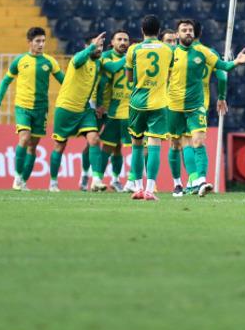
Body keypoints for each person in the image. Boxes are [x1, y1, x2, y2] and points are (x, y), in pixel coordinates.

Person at [168, 19, 245, 197]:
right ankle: (177, 184)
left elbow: (223, 67)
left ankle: (200, 180)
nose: (188, 32)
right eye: (184, 30)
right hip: (173, 106)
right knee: (176, 144)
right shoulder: (170, 53)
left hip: (196, 105)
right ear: (177, 35)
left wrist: (236, 62)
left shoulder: (203, 52)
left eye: (190, 30)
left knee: (198, 141)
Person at [49, 33, 123, 192]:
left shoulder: (99, 63)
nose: (99, 49)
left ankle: (96, 180)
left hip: (84, 110)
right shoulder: (78, 59)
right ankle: (53, 182)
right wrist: (91, 46)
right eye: (96, 46)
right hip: (65, 109)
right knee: (59, 146)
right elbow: (79, 59)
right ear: (87, 47)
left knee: (94, 139)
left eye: (101, 46)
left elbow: (111, 70)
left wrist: (129, 56)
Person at [0, 27, 64, 191]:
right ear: (29, 43)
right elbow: (5, 81)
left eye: (43, 41)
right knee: (24, 139)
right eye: (37, 41)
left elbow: (64, 81)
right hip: (22, 107)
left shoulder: (49, 62)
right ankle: (17, 176)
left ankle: (23, 181)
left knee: (33, 146)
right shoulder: (19, 61)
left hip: (41, 110)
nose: (41, 44)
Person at [125, 15, 174, 201]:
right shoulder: (168, 50)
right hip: (159, 103)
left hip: (136, 103)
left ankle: (137, 188)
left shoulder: (133, 50)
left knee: (136, 146)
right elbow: (168, 75)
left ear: (142, 30)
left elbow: (129, 78)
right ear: (159, 31)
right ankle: (150, 190)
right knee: (154, 146)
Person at [93, 29, 132, 192]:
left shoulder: (134, 56)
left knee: (121, 148)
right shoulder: (106, 56)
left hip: (131, 109)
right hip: (112, 109)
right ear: (112, 42)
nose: (123, 42)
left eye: (125, 40)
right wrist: (98, 104)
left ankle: (118, 180)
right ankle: (96, 178)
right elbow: (104, 80)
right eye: (119, 39)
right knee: (107, 146)